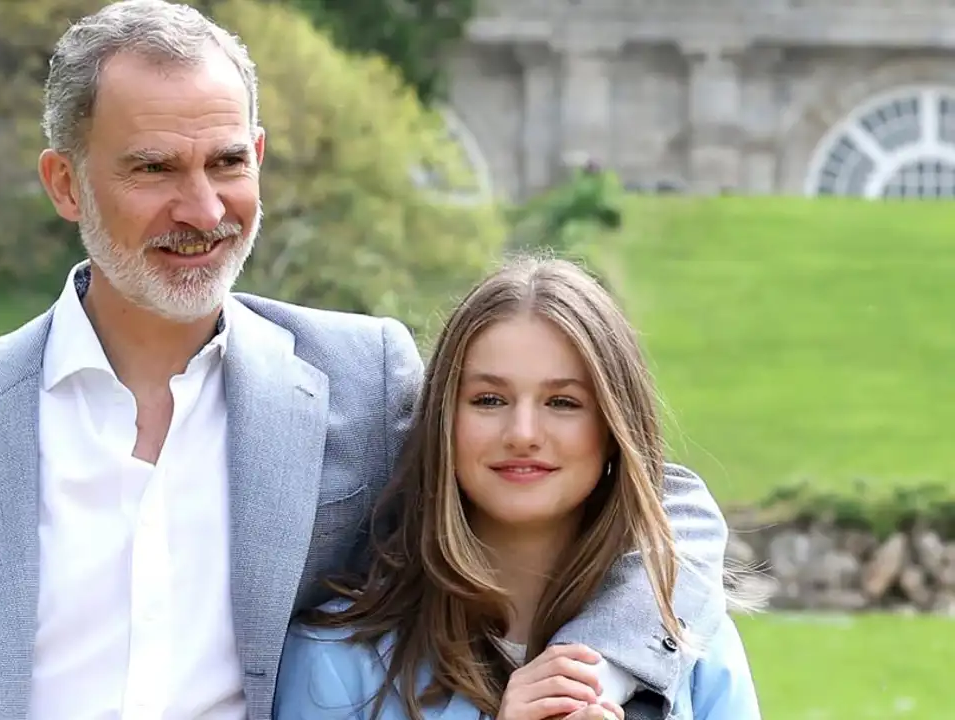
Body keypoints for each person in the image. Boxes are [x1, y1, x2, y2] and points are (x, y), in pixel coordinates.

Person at [0, 1, 731, 719]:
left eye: (227, 163)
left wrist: (596, 667)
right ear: (65, 182)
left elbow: (658, 503)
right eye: (153, 168)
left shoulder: (363, 379)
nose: (202, 209)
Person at [273, 257, 762, 720]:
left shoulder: (693, 645)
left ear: (614, 428)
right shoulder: (333, 657)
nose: (523, 432)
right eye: (489, 399)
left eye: (563, 402)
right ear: (444, 420)